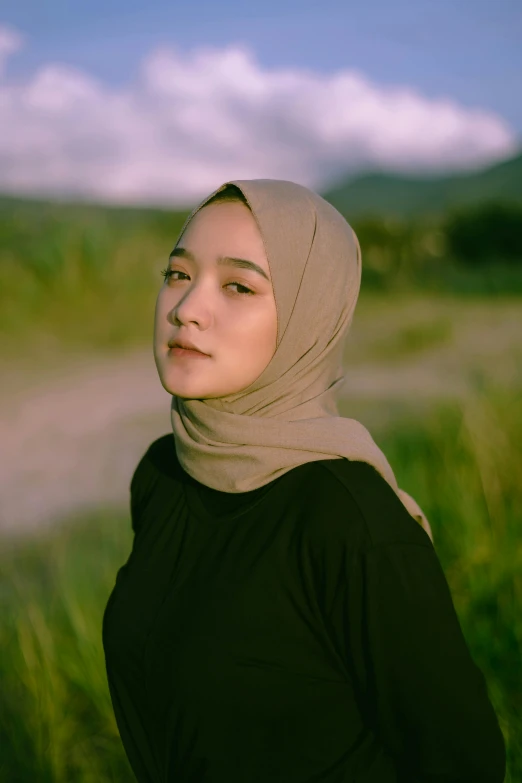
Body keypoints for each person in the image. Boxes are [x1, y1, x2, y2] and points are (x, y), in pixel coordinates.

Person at [102, 179, 505, 783]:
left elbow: (462, 761)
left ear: (309, 318)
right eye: (178, 274)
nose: (186, 308)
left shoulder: (351, 521)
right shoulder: (163, 474)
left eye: (238, 286)